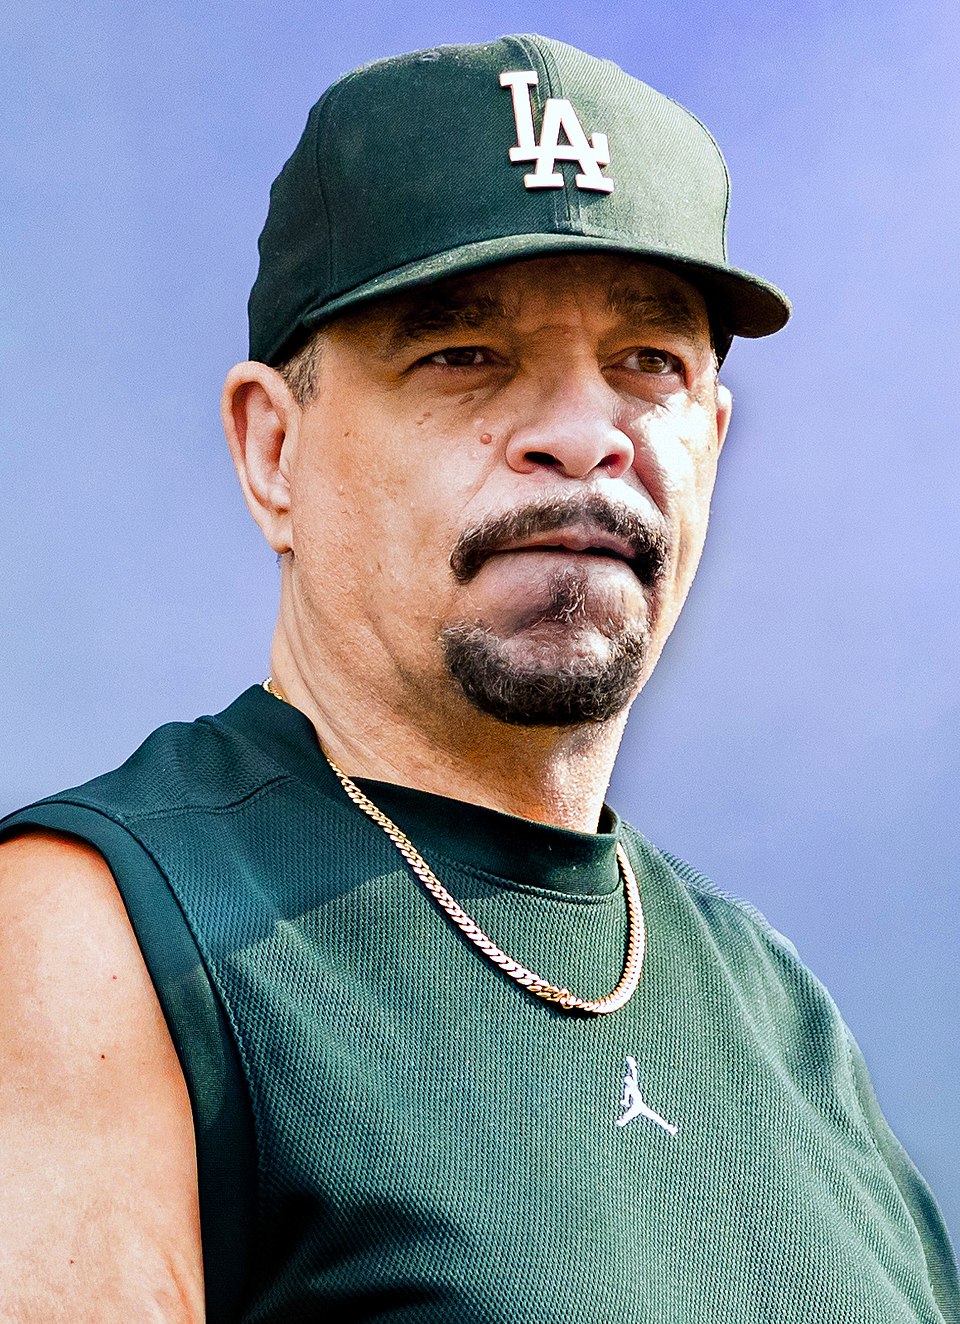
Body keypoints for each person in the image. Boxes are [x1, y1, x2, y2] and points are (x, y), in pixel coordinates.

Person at [0, 33, 957, 1324]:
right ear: (271, 449)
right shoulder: (107, 938)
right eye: (461, 358)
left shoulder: (779, 1019)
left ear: (712, 438)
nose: (581, 437)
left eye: (649, 363)